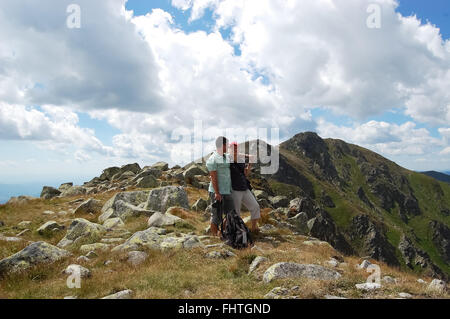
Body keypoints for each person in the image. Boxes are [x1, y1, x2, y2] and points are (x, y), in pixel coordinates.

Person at [206, 136, 235, 237]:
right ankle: (214, 236)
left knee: (230, 214)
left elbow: (235, 155)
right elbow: (213, 177)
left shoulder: (226, 156)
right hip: (217, 192)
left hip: (228, 190)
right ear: (222, 145)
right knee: (216, 216)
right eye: (227, 145)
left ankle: (222, 233)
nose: (227, 147)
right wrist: (217, 193)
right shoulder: (212, 159)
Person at [229, 141, 260, 233]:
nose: (235, 150)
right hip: (234, 189)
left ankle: (254, 228)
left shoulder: (240, 160)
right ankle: (236, 232)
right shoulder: (227, 160)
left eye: (236, 148)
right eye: (233, 148)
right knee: (236, 212)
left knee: (255, 206)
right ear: (229, 149)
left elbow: (245, 174)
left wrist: (249, 164)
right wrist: (247, 155)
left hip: (245, 187)